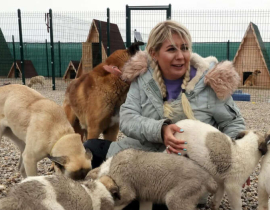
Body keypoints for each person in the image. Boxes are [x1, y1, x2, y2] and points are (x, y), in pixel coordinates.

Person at [85, 20, 245, 169]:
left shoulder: (210, 81)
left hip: (182, 170)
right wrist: (160, 130)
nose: (180, 56)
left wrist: (234, 161)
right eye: (171, 49)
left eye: (185, 48)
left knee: (129, 194)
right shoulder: (142, 77)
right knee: (86, 150)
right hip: (140, 154)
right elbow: (127, 118)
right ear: (154, 53)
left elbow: (233, 123)